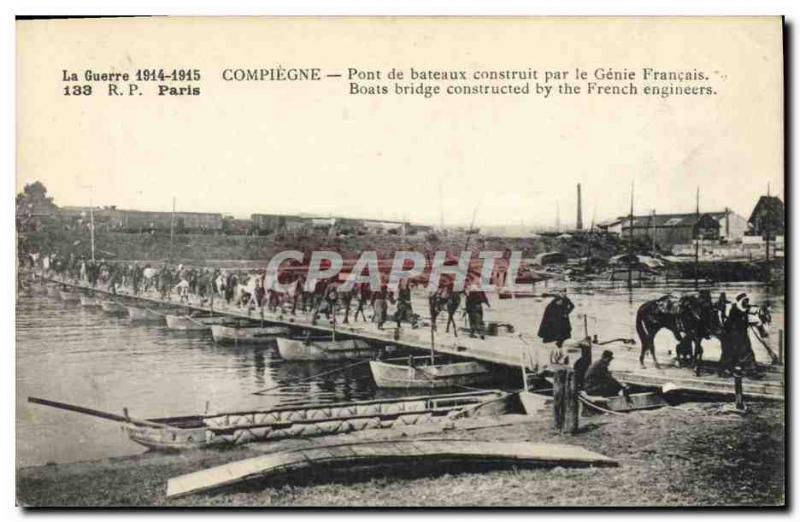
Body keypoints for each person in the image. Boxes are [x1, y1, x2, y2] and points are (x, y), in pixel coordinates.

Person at [720, 293, 758, 375]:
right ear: (741, 301)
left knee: (747, 350)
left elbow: (746, 321)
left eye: (747, 301)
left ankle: (750, 369)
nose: (747, 303)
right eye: (745, 301)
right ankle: (729, 369)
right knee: (733, 352)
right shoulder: (734, 310)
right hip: (733, 334)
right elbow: (731, 323)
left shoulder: (744, 310)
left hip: (742, 333)